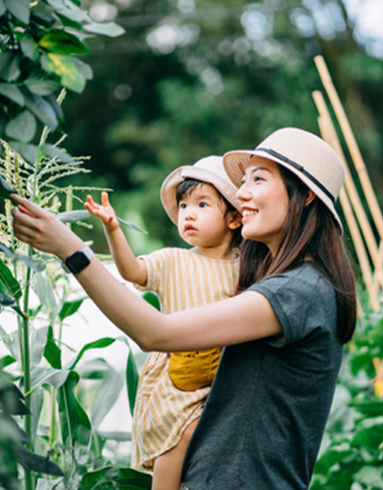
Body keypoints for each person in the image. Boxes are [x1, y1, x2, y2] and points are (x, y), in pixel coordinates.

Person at [9, 128, 358, 490]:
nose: (242, 193)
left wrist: (73, 251)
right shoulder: (295, 284)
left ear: (306, 197)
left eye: (258, 178)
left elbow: (156, 333)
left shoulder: (297, 291)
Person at [82, 156, 242, 490]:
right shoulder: (172, 260)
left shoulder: (246, 269)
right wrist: (113, 229)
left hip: (222, 377)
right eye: (183, 206)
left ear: (233, 218)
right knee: (178, 437)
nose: (189, 213)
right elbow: (132, 272)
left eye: (202, 204)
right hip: (175, 379)